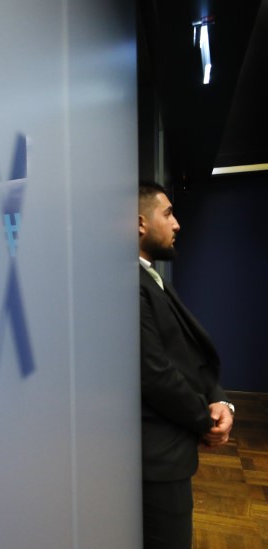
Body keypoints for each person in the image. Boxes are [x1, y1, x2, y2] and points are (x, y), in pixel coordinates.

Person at [138, 181, 234, 548]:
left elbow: (188, 356)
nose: (177, 224)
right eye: (168, 213)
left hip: (171, 450)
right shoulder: (129, 283)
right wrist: (205, 420)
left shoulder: (152, 277)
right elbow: (154, 373)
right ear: (140, 223)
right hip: (158, 459)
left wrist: (220, 400)